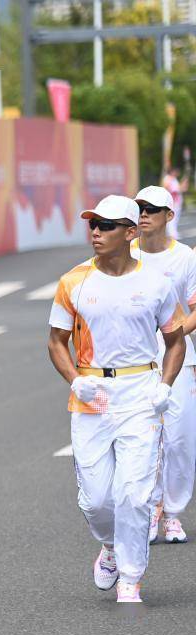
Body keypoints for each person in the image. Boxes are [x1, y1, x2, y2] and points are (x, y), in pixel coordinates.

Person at [47, 194, 185, 604]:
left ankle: (130, 577)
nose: (96, 232)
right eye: (93, 224)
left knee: (135, 494)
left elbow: (175, 341)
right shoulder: (74, 281)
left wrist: (165, 384)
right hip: (93, 395)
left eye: (106, 226)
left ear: (129, 233)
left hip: (140, 394)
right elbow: (56, 341)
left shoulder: (156, 284)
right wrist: (74, 380)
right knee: (96, 500)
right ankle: (109, 545)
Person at [133, 186, 196, 544]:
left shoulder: (184, 257)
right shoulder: (124, 254)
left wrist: (173, 337)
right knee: (143, 440)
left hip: (179, 361)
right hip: (137, 363)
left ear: (168, 216)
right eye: (139, 207)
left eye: (152, 209)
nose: (144, 214)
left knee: (179, 441)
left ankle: (173, 513)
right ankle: (151, 507)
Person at [161, 167, 188, 239]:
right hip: (172, 202)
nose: (176, 172)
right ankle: (172, 234)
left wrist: (184, 183)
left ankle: (173, 233)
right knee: (172, 218)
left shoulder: (174, 179)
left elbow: (181, 189)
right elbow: (170, 189)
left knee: (176, 218)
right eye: (175, 171)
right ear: (172, 171)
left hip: (177, 202)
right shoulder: (167, 179)